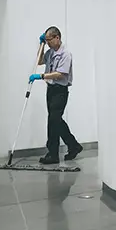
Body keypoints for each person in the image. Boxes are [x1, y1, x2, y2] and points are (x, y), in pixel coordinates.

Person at [29, 26, 83, 164]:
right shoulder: (50, 52)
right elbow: (40, 61)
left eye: (49, 40)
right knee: (56, 120)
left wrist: (41, 76)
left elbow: (60, 74)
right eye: (46, 40)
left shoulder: (65, 54)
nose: (48, 43)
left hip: (60, 90)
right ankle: (73, 145)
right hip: (51, 90)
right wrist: (40, 44)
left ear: (57, 38)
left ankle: (53, 154)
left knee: (53, 121)